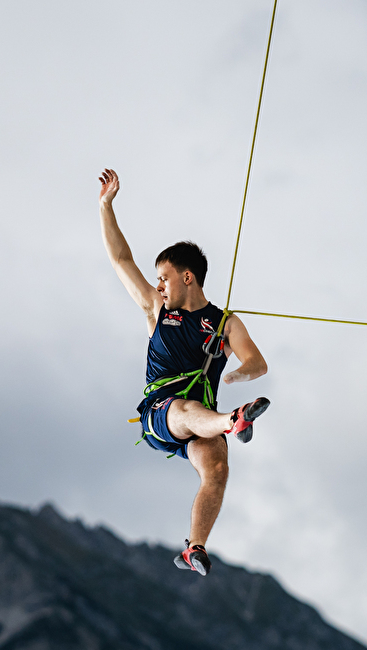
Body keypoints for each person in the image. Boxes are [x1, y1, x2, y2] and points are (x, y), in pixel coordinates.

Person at [98, 167, 270, 576]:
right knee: (185, 408)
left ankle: (195, 548)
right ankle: (233, 422)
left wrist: (234, 375)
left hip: (203, 424)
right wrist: (106, 206)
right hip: (162, 414)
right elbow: (121, 259)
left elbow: (256, 364)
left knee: (218, 468)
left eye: (164, 278)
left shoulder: (225, 322)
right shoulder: (159, 311)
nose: (158, 286)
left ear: (186, 277)